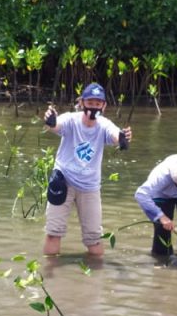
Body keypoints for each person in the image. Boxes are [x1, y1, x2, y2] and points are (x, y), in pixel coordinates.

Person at [42, 83, 132, 257]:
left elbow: (115, 135)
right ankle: (49, 271)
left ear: (104, 106)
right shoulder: (71, 120)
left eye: (98, 104)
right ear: (82, 103)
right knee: (53, 233)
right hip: (63, 181)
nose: (94, 107)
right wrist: (50, 121)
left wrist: (123, 138)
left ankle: (96, 273)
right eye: (90, 103)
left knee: (94, 239)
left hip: (89, 187)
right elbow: (56, 125)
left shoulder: (104, 125)